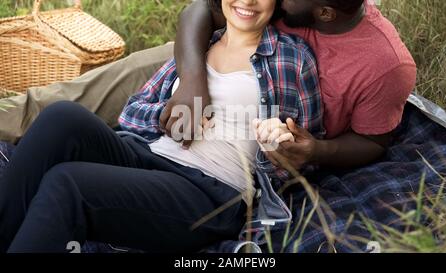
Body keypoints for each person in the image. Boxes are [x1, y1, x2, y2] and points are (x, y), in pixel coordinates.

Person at [0, 0, 323, 253]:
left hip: (210, 192)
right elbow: (131, 113)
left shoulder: (291, 58)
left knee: (67, 183)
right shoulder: (200, 45)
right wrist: (167, 116)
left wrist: (276, 146)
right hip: (148, 155)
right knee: (62, 117)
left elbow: (303, 155)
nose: (248, 1)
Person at [164, 0, 417, 170]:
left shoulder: (386, 66)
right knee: (126, 77)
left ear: (325, 13)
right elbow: (201, 9)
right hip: (200, 51)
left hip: (232, 144)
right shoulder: (296, 4)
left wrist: (317, 151)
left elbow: (373, 143)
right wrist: (191, 82)